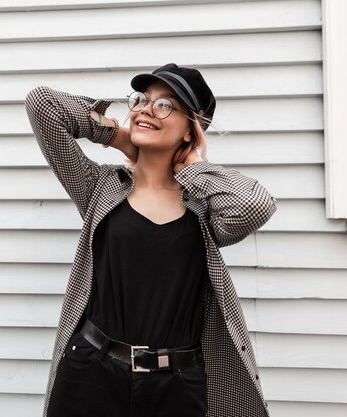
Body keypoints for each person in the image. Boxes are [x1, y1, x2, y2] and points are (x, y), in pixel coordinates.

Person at [25, 63, 277, 417]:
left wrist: (189, 168)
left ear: (190, 130)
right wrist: (118, 136)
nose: (146, 109)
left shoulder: (204, 207)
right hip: (91, 373)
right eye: (143, 100)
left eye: (165, 105)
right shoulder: (100, 187)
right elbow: (42, 104)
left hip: (176, 384)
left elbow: (255, 204)